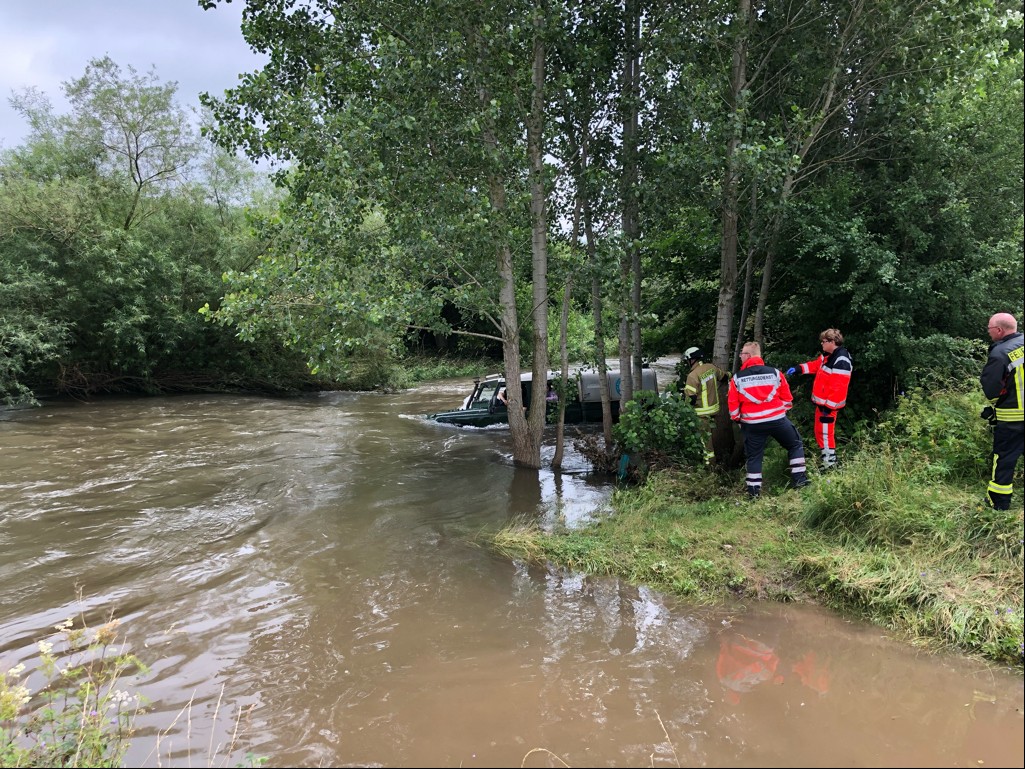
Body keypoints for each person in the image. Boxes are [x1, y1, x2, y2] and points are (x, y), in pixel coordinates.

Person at [728, 341, 809, 498]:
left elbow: (733, 406)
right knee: (795, 445)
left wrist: (739, 420)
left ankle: (753, 494)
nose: (740, 357)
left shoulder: (737, 378)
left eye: (742, 354)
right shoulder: (775, 373)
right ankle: (800, 482)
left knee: (754, 457)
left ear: (749, 356)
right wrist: (778, 412)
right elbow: (787, 399)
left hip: (752, 424)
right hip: (777, 420)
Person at [786, 328, 853, 470]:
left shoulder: (841, 359)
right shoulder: (828, 356)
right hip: (822, 406)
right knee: (820, 433)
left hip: (828, 408)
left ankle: (830, 466)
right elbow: (815, 366)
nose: (821, 344)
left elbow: (839, 387)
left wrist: (828, 408)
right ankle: (827, 462)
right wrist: (798, 368)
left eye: (824, 341)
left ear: (833, 342)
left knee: (826, 434)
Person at [980, 313, 1023, 511]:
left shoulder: (1000, 354)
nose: (988, 332)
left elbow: (992, 388)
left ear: (999, 330)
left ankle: (999, 503)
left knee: (1004, 458)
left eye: (989, 329)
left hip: (1012, 419)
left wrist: (996, 405)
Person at [682, 346, 728, 418]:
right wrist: (732, 374)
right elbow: (724, 377)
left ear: (692, 360)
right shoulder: (711, 367)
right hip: (714, 411)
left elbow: (691, 399)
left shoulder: (692, 375)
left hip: (701, 414)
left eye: (688, 360)